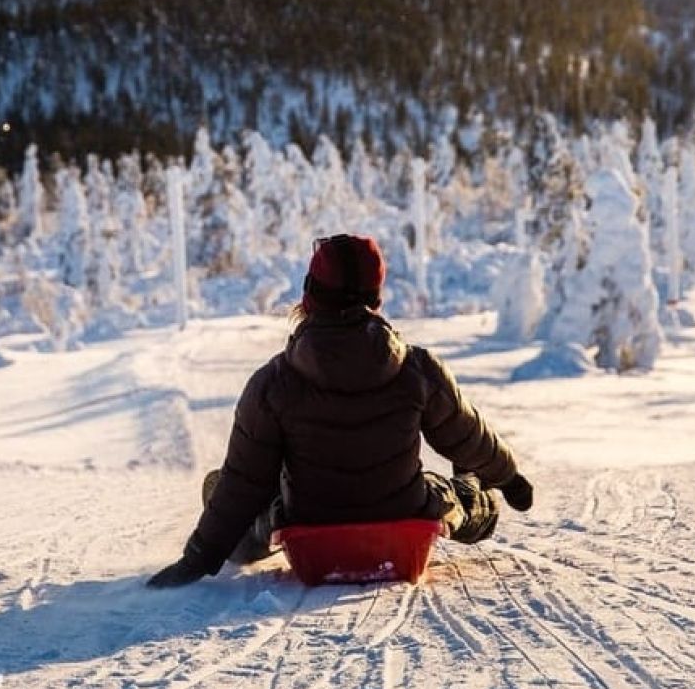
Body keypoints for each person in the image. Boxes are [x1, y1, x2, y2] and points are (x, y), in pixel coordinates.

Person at [148, 233, 534, 589]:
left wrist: (197, 558)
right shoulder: (417, 368)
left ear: (309, 295)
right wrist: (511, 478)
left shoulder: (272, 383)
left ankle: (240, 539)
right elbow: (469, 437)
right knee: (464, 499)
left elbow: (243, 485)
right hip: (403, 522)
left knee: (245, 506)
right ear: (376, 297)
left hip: (310, 532)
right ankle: (474, 490)